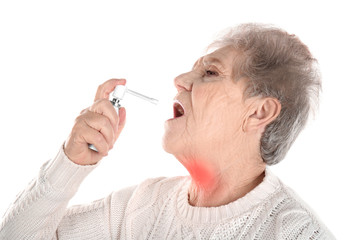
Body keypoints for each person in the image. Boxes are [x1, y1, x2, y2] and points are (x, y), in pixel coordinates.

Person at [0, 23, 335, 239]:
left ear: (259, 112)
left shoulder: (295, 232)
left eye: (210, 73)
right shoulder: (142, 206)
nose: (180, 81)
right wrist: (70, 164)